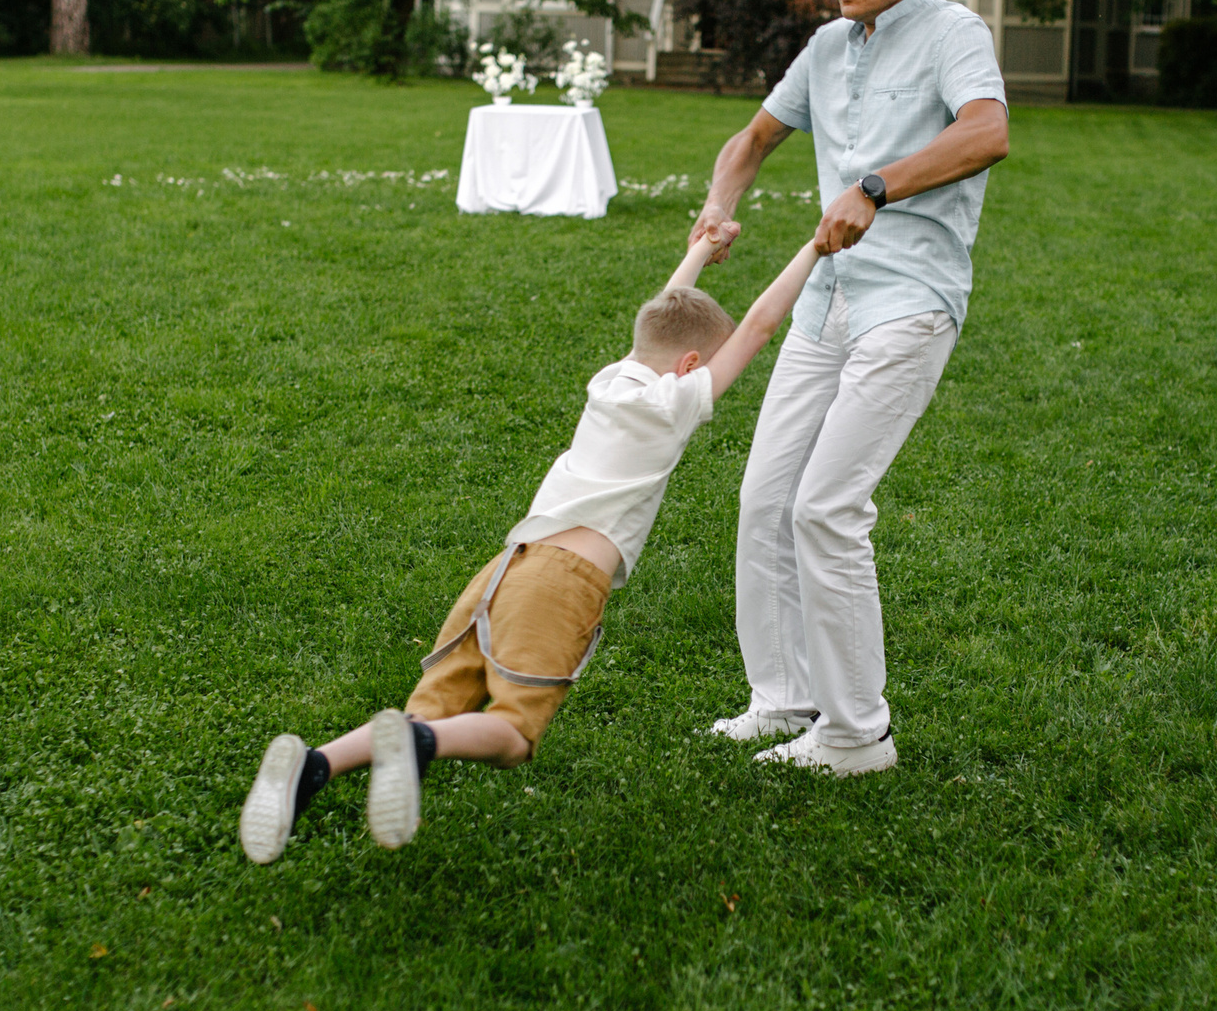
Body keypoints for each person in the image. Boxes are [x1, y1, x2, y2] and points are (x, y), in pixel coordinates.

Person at [238, 230, 826, 858]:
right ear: (687, 367)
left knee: (431, 711)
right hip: (562, 581)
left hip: (504, 570)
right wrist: (815, 247)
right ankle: (414, 746)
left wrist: (699, 254)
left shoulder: (612, 380)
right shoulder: (673, 400)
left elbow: (666, 307)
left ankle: (313, 765)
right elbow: (759, 327)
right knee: (513, 733)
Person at [687, 0, 1011, 778]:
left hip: (910, 301)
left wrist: (876, 187)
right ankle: (784, 696)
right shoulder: (828, 47)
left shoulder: (956, 35)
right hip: (824, 301)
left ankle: (858, 733)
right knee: (764, 501)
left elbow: (988, 133)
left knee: (826, 508)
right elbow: (750, 141)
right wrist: (719, 208)